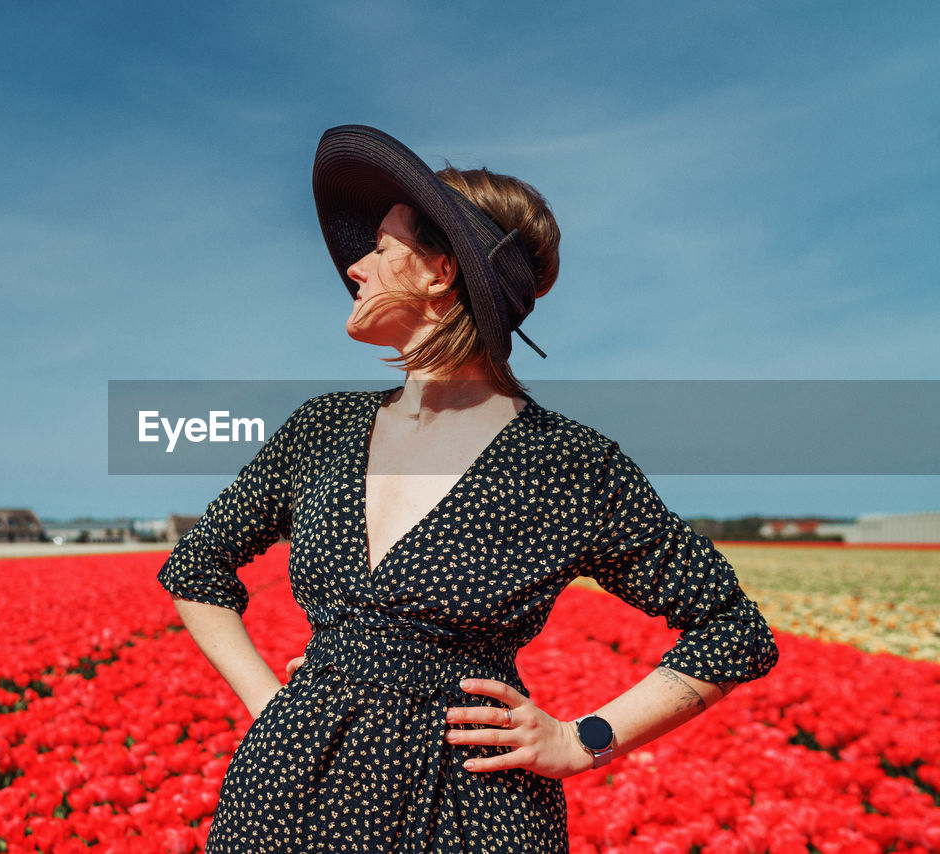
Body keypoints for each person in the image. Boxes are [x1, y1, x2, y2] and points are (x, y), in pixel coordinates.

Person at [157, 125, 778, 853]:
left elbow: (732, 630)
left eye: (382, 247)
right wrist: (275, 708)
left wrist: (584, 740)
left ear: (440, 271)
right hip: (285, 801)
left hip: (467, 813)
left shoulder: (568, 464)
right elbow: (195, 566)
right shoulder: (321, 428)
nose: (355, 267)